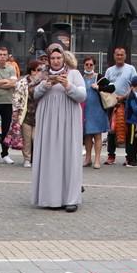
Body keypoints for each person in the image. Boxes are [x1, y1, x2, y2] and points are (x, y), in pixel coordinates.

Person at [31, 44, 87, 212]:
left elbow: (82, 96)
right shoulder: (42, 74)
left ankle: (71, 198)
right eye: (53, 58)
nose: (56, 61)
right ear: (49, 59)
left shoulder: (74, 74)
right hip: (48, 119)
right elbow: (34, 94)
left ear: (64, 58)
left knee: (69, 155)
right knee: (49, 155)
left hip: (68, 119)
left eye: (59, 58)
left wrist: (68, 86)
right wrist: (45, 85)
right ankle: (50, 197)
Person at [104, 47, 137, 164]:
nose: (119, 57)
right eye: (117, 55)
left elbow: (134, 86)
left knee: (128, 130)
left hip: (127, 103)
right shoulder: (109, 70)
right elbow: (106, 87)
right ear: (114, 56)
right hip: (112, 103)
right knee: (111, 130)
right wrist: (113, 98)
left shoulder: (131, 69)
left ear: (125, 56)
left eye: (121, 55)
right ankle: (111, 155)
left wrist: (123, 97)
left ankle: (129, 157)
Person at [7, 58, 41, 167]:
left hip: (39, 114)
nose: (38, 72)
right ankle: (27, 158)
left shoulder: (43, 83)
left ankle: (36, 158)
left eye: (40, 70)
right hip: (25, 114)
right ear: (31, 70)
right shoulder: (22, 82)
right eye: (36, 70)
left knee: (36, 138)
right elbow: (16, 97)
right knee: (27, 139)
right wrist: (16, 111)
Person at [80, 55, 109, 168]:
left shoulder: (99, 77)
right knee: (87, 135)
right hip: (85, 110)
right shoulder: (81, 78)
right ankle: (88, 158)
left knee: (97, 135)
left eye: (91, 64)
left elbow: (112, 87)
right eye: (86, 64)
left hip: (97, 110)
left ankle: (97, 159)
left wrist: (99, 87)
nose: (88, 66)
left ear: (94, 65)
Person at [122, 75, 137, 168]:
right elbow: (135, 108)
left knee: (136, 141)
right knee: (131, 141)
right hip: (132, 121)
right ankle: (130, 159)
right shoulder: (132, 95)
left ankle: (134, 158)